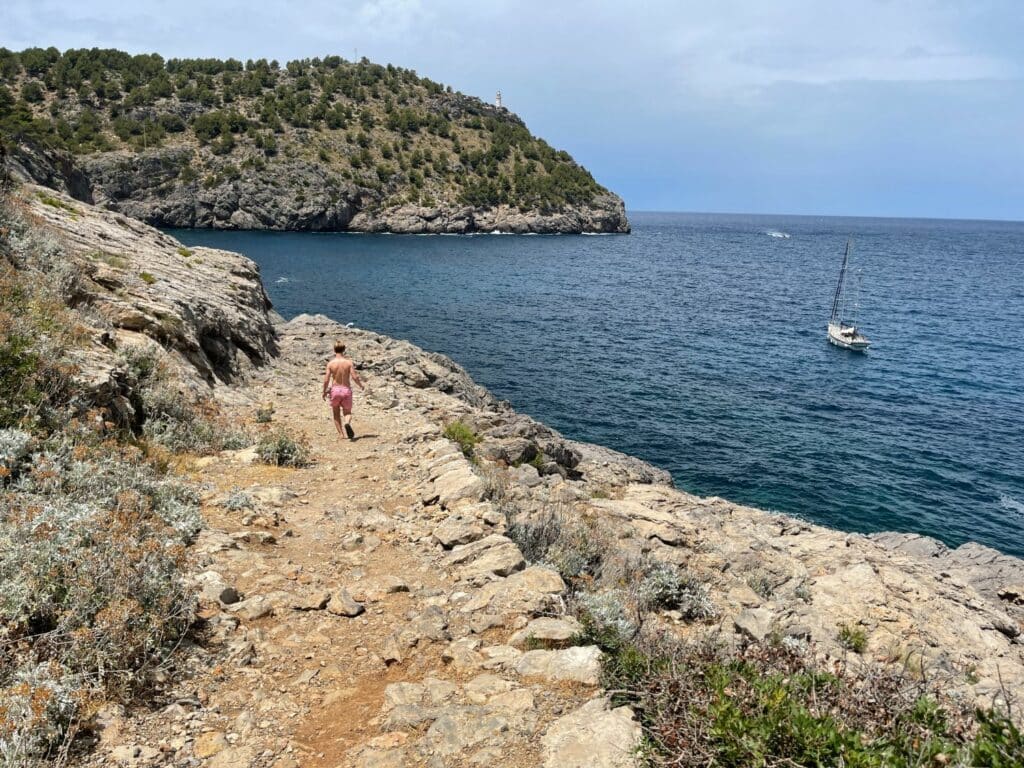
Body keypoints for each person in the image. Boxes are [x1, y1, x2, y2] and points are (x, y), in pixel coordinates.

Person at [322, 340, 365, 439]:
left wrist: (324, 391)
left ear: (334, 350)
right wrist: (361, 385)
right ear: (344, 350)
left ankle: (341, 434)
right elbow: (355, 377)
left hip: (335, 390)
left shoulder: (330, 364)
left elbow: (326, 379)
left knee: (336, 413)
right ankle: (347, 422)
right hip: (346, 390)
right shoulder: (348, 363)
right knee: (347, 412)